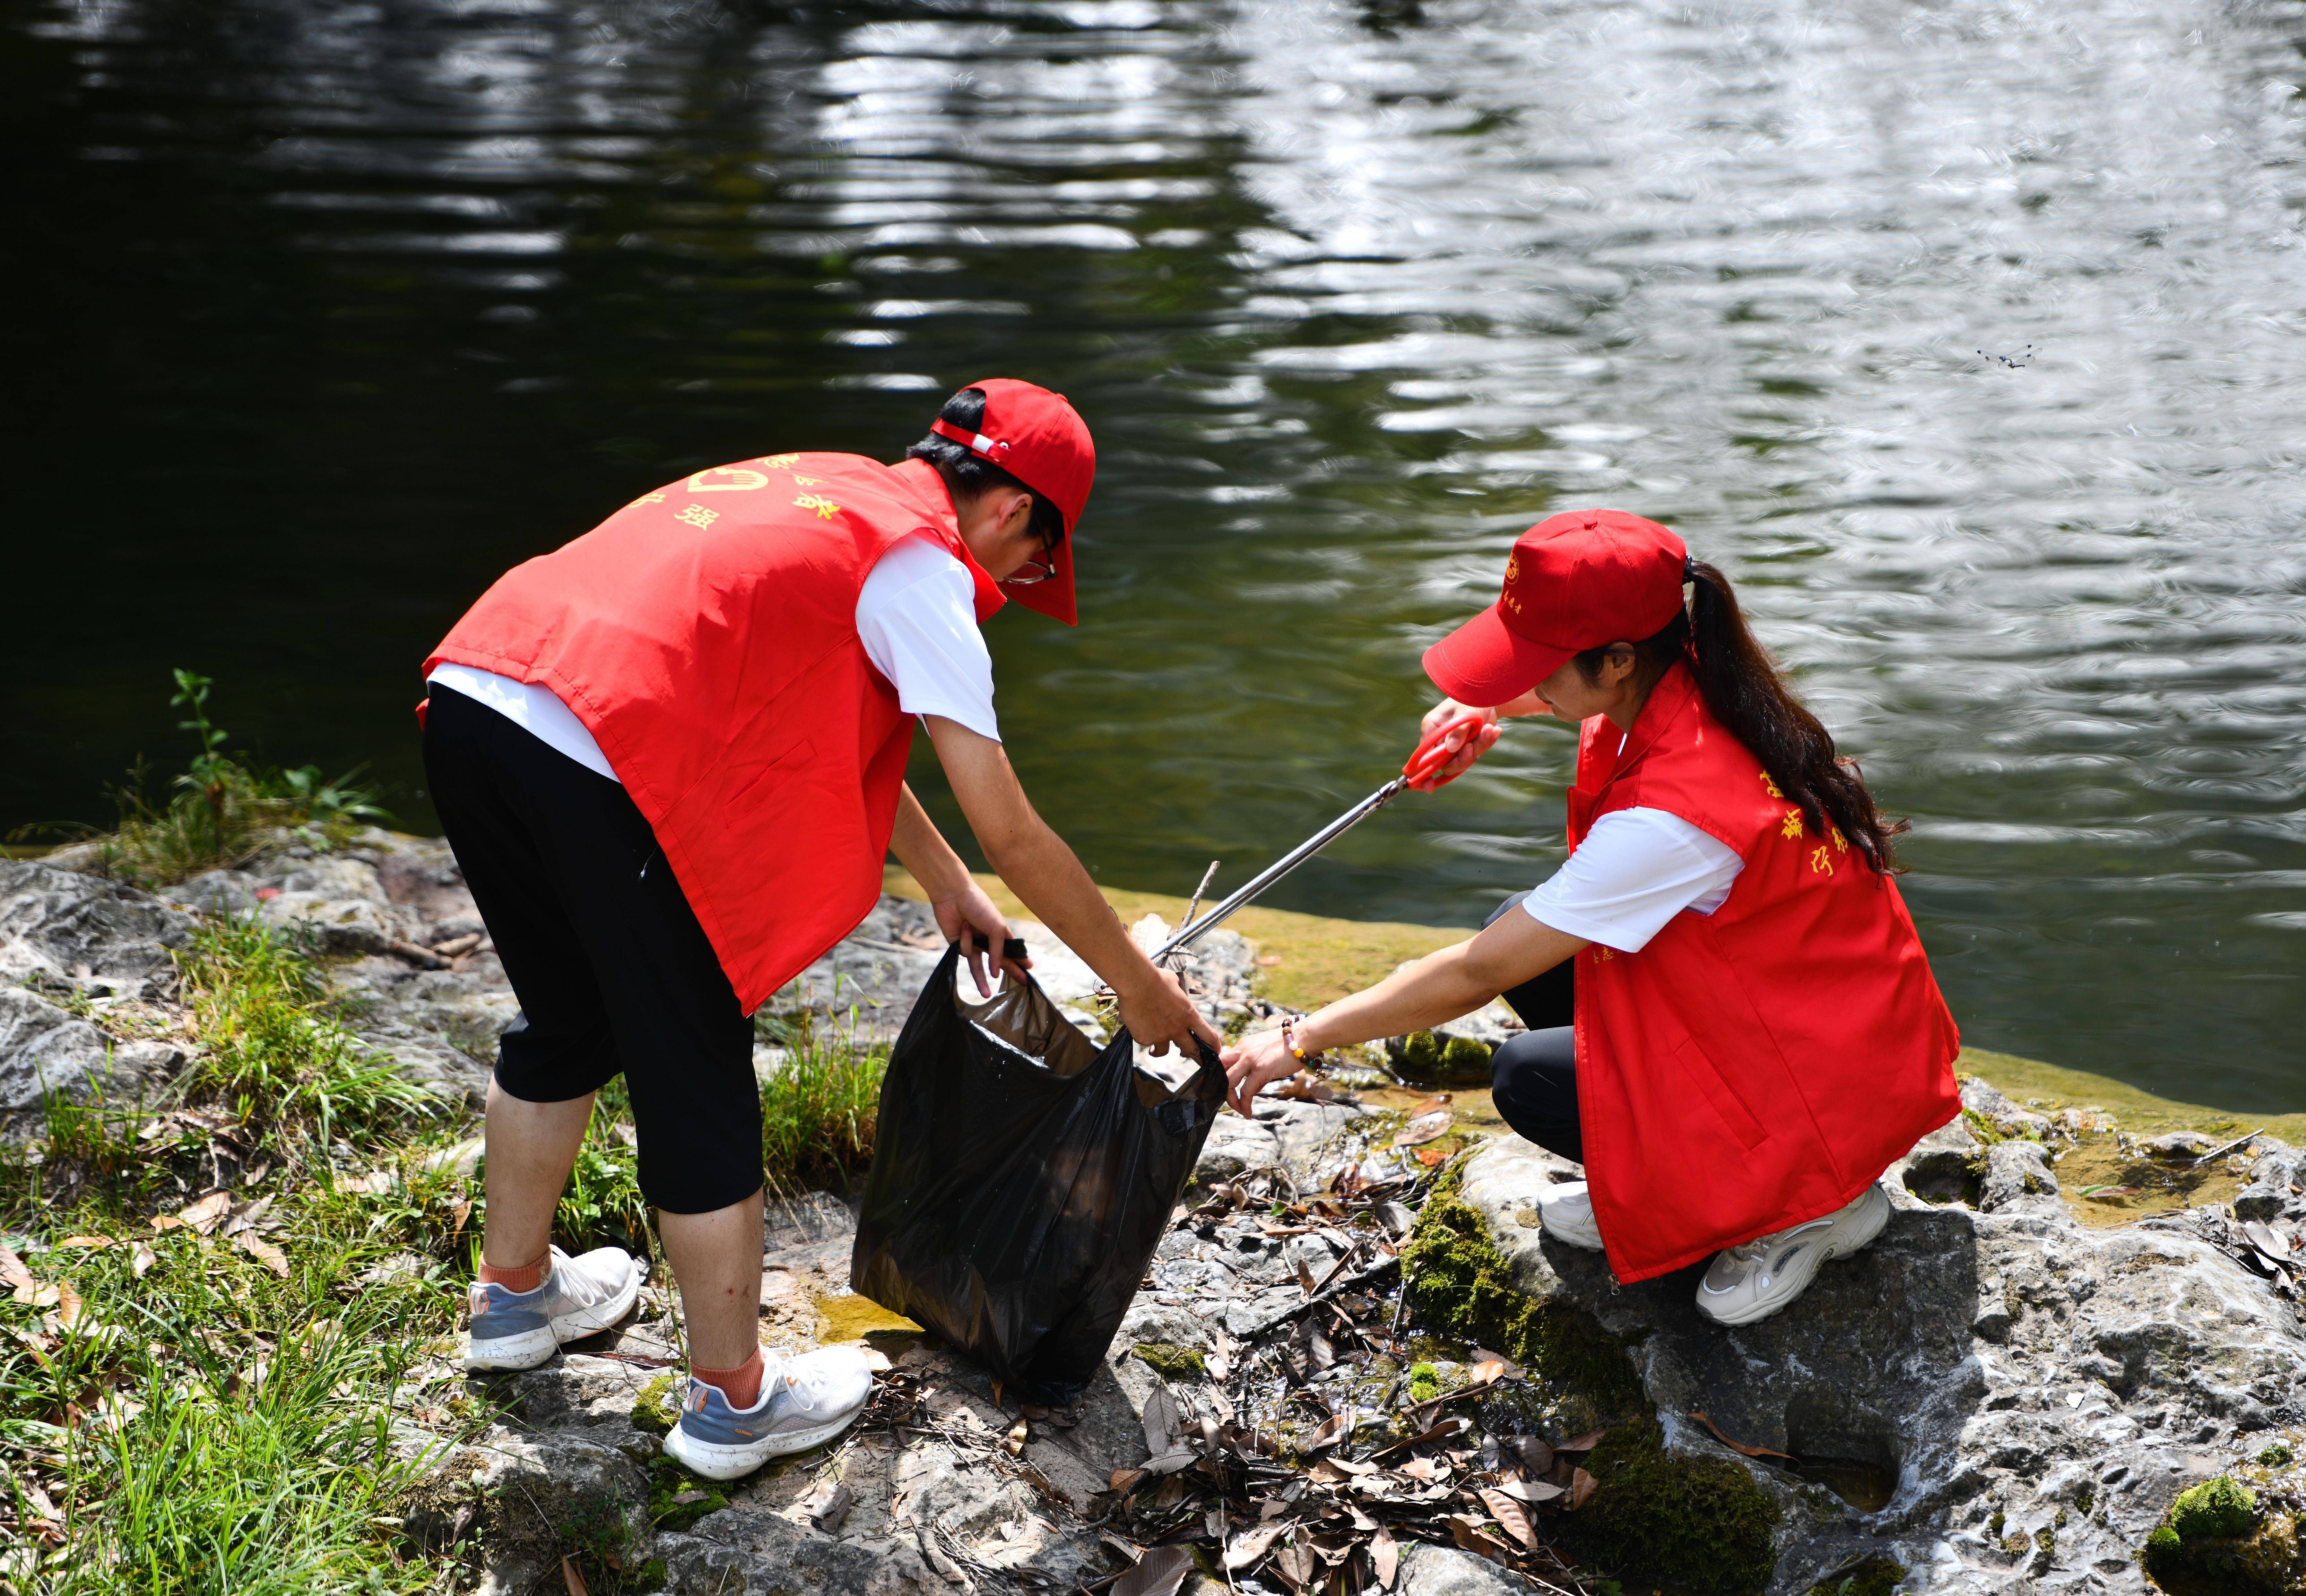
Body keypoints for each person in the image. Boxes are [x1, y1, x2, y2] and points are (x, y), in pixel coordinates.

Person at [420, 380, 1219, 1480]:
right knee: (693, 1057)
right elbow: (1018, 831)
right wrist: (1136, 984)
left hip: (481, 693)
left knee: (567, 1016)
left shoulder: (828, 492)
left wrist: (941, 881)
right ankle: (734, 1402)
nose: (1016, 583)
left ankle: (512, 1299)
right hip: (598, 744)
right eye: (1034, 562)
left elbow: (816, 703)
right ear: (1012, 511)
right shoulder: (927, 571)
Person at [1223, 509, 1960, 1324]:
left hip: (1819, 1100)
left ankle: (1810, 1208)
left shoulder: (1674, 818)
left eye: (1540, 668)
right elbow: (1571, 696)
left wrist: (1299, 1039)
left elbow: (1480, 970)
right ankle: (1663, 1183)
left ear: (1615, 662)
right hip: (1808, 1033)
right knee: (1525, 927)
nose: (1527, 683)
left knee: (1528, 1075)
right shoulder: (1691, 676)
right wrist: (1488, 711)